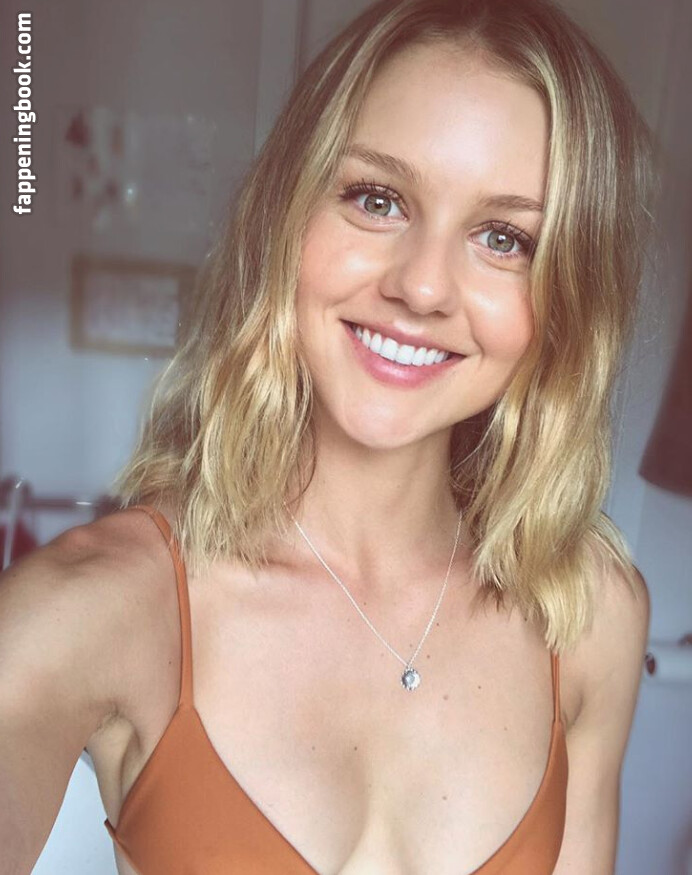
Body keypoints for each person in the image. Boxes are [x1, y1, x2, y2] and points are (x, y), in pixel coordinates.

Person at [0, 0, 656, 872]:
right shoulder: (91, 607)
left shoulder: (588, 614)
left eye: (505, 238)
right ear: (288, 213)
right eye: (377, 199)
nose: (423, 287)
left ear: (569, 295)